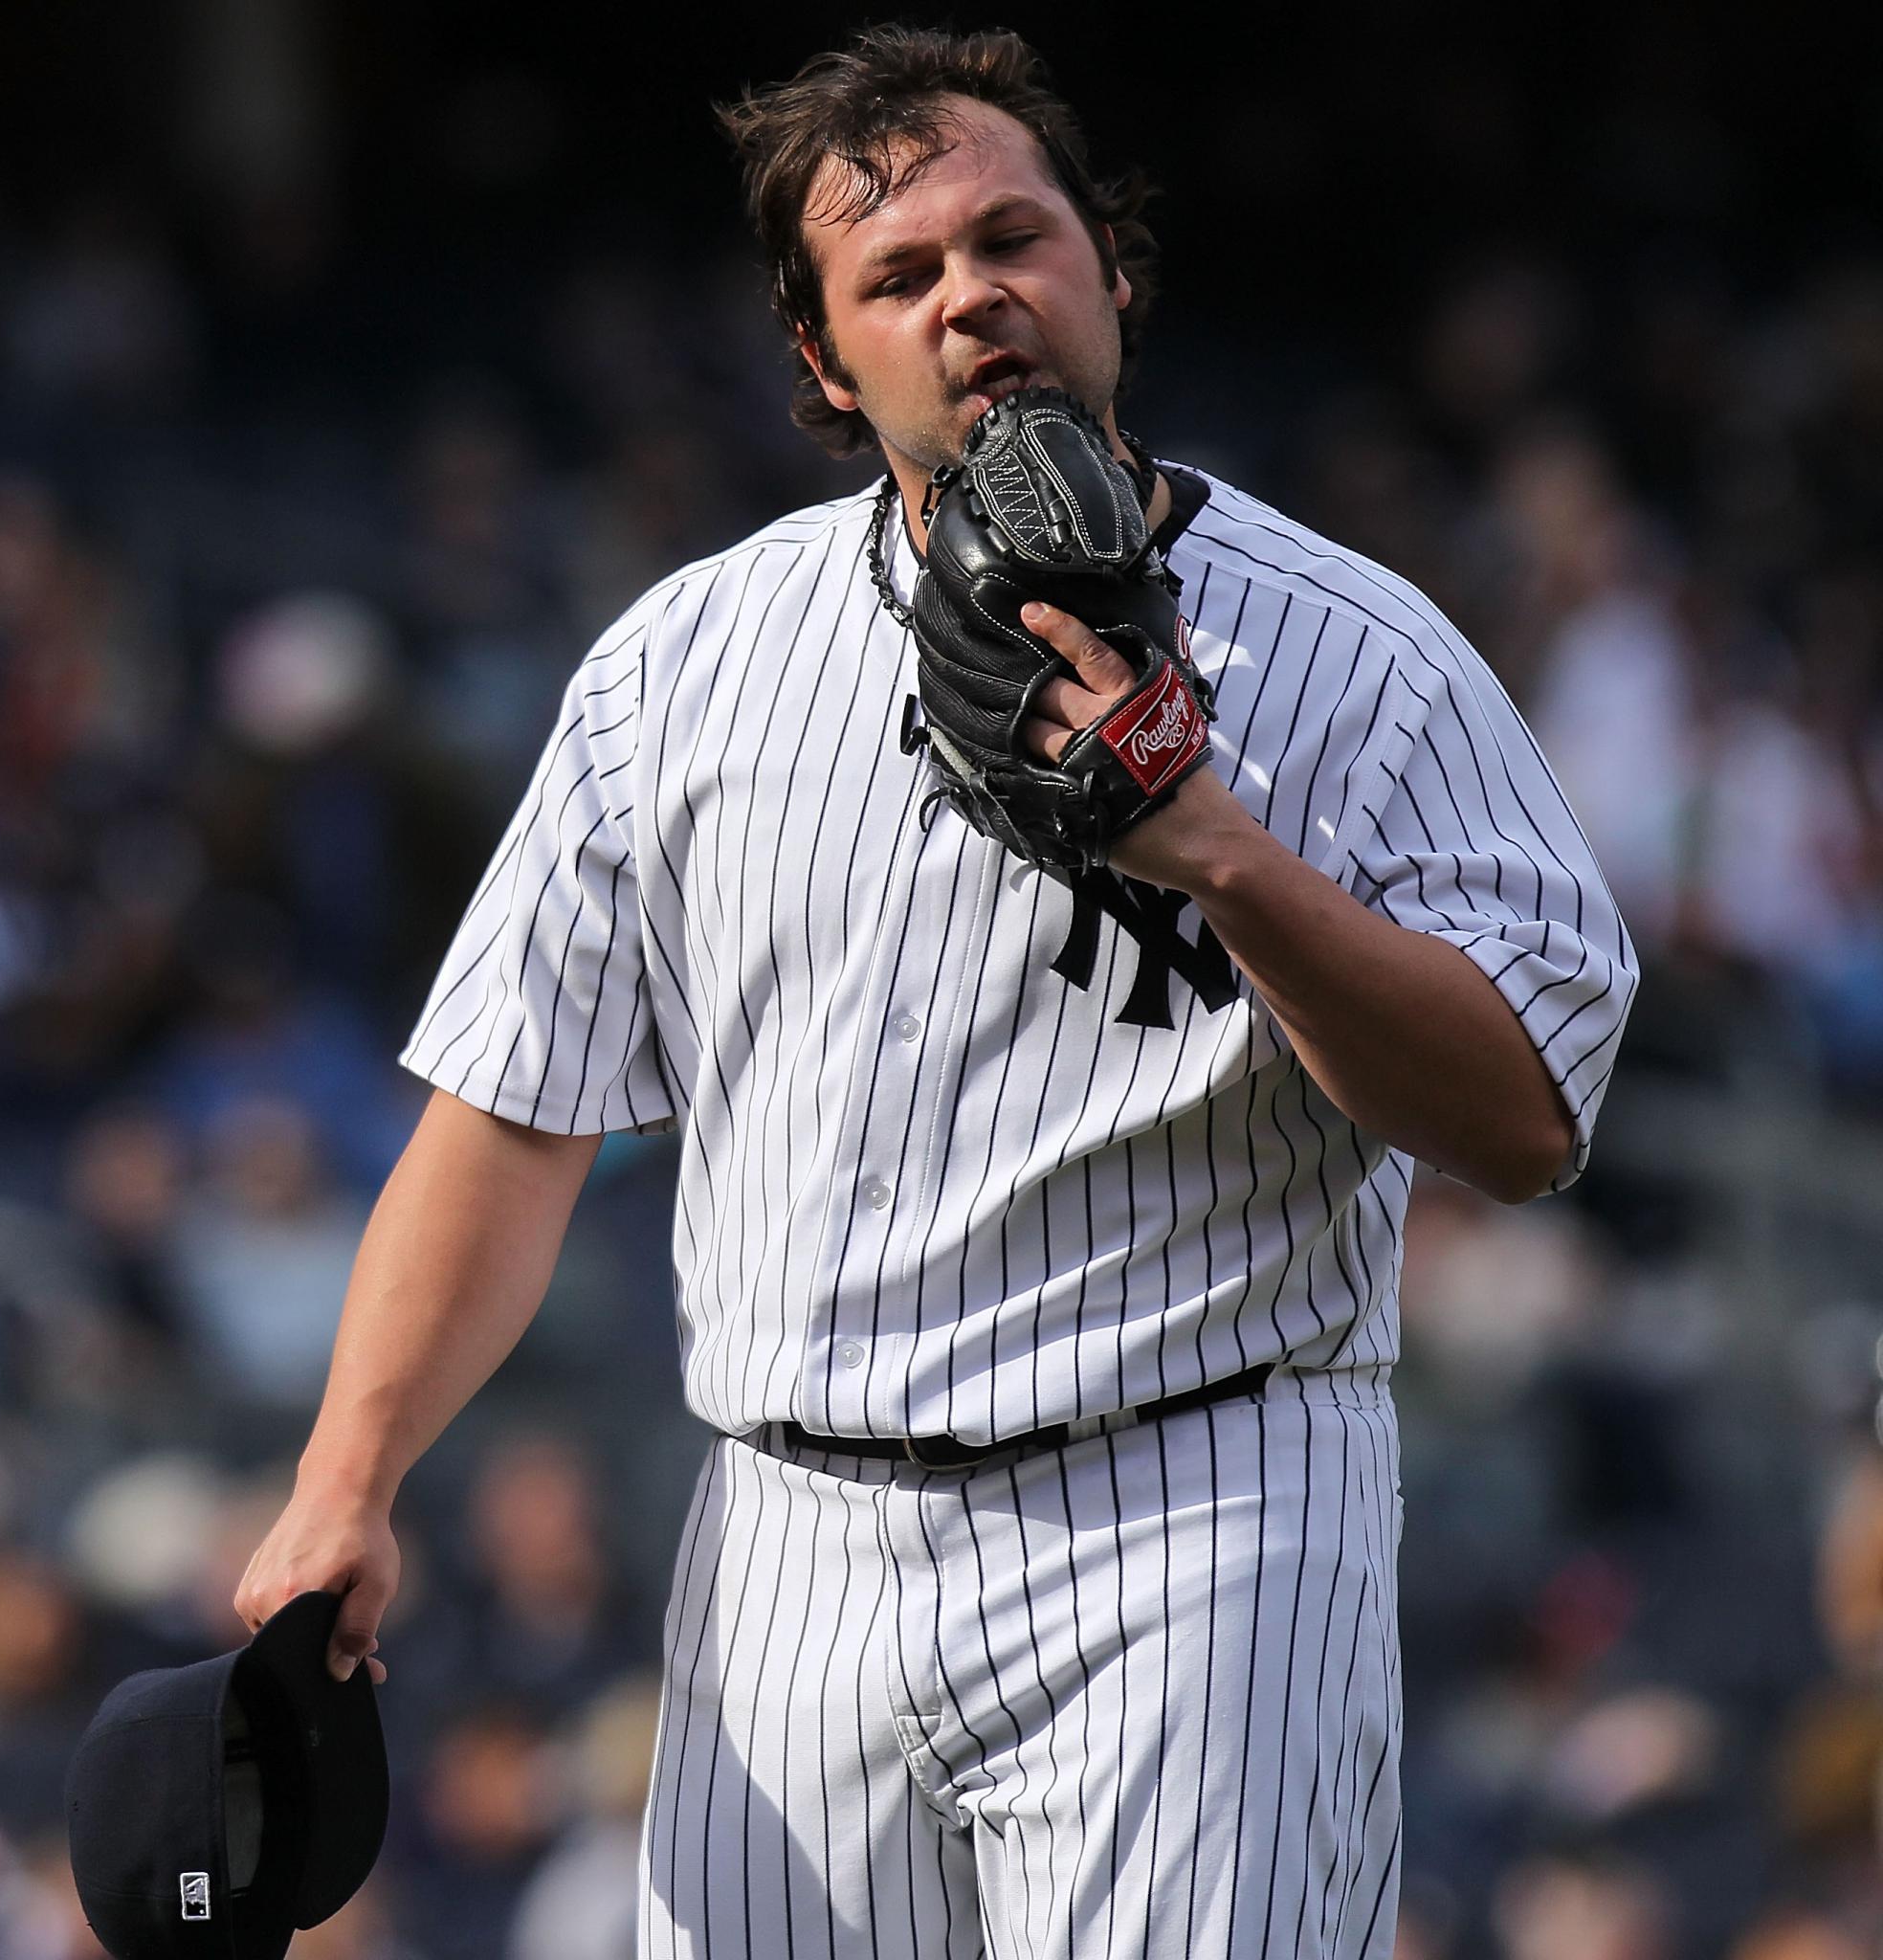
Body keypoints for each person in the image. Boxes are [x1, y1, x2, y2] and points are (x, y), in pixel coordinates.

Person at [233, 23, 1639, 1959]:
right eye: (896, 275)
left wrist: (1226, 855)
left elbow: (1527, 1116)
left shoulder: (1363, 661)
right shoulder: (685, 669)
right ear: (825, 363)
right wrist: (347, 1477)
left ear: (1111, 274)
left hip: (1195, 1513)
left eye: (1012, 238)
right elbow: (511, 1117)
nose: (969, 292)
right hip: (789, 1545)